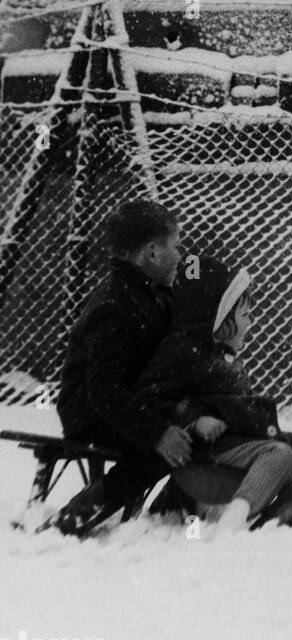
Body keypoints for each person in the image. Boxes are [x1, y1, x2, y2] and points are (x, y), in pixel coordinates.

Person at [135, 255, 292, 531]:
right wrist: (193, 420)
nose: (250, 323)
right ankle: (233, 520)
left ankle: (282, 514)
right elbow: (147, 398)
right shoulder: (181, 351)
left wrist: (284, 436)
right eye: (245, 315)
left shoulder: (227, 361)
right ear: (219, 317)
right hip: (201, 459)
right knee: (281, 455)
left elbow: (240, 417)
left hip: (231, 448)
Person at [54, 199, 189, 535]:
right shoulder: (116, 303)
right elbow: (103, 389)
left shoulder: (150, 294)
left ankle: (169, 509)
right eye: (176, 245)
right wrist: (157, 432)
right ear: (153, 252)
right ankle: (80, 513)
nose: (181, 255)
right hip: (89, 413)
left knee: (197, 423)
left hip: (124, 404)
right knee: (177, 441)